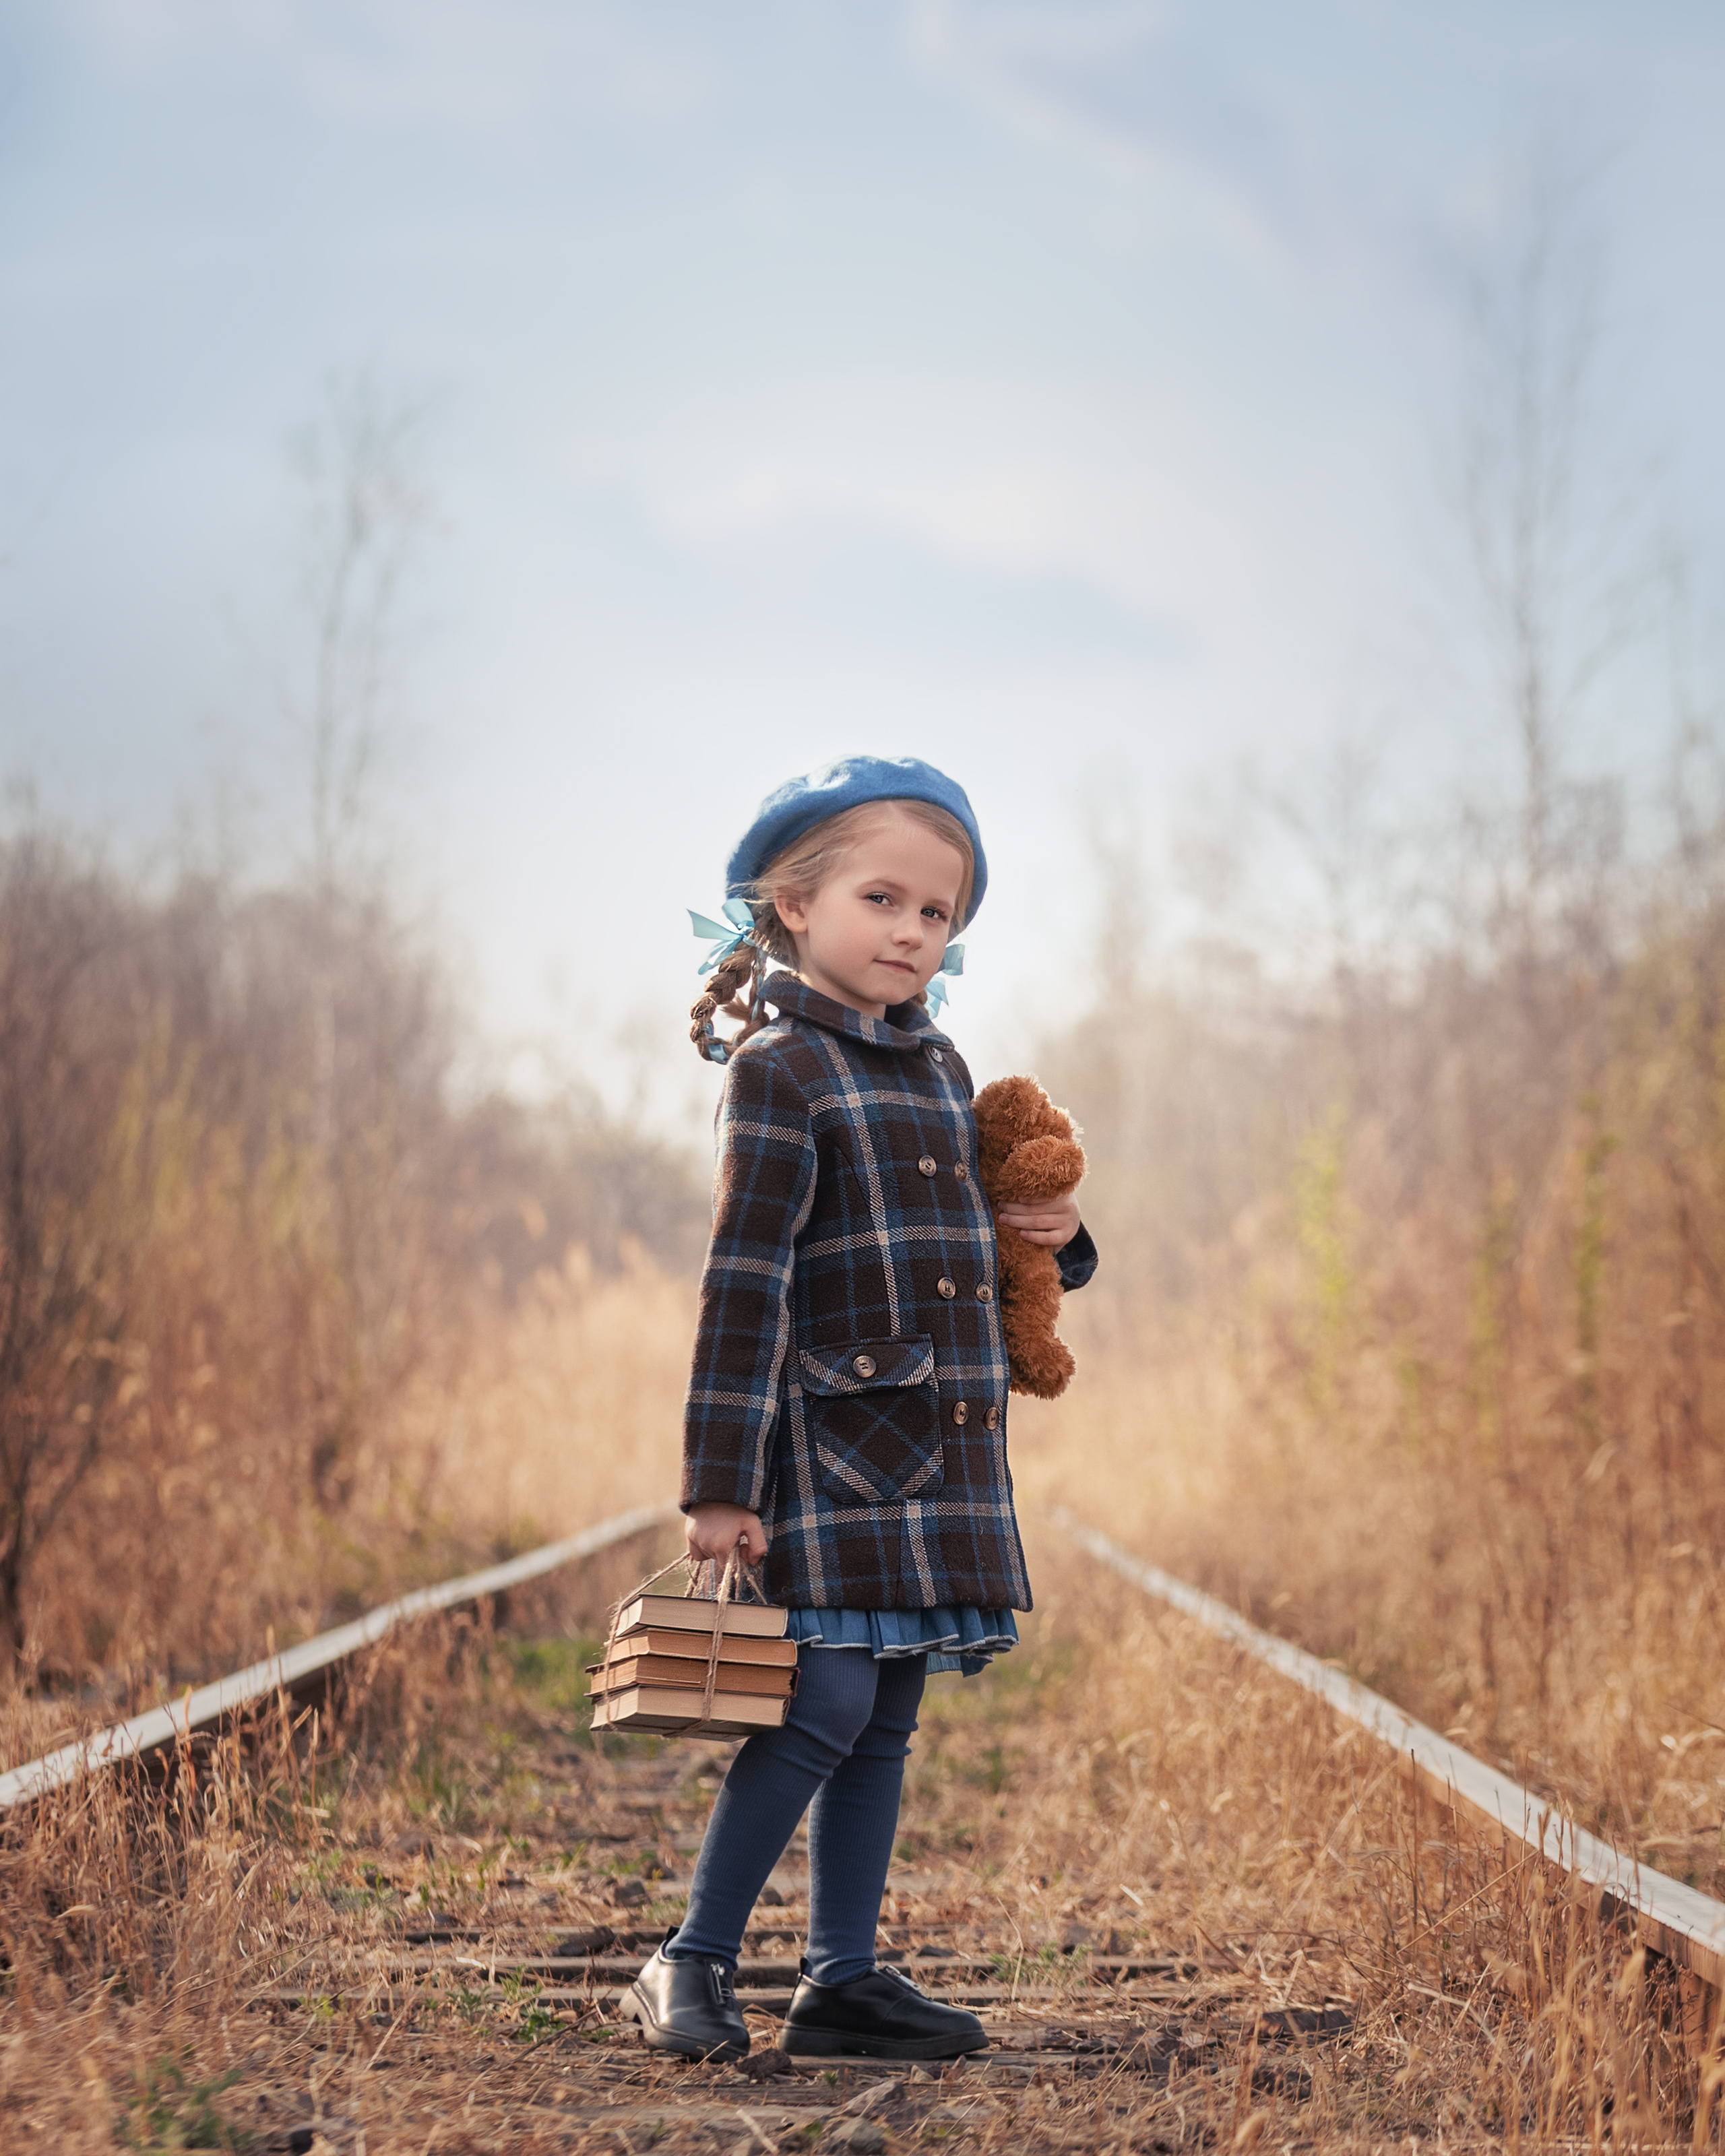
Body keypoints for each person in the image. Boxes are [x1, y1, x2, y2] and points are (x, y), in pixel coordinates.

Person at [621, 755, 1097, 2064]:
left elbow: (979, 1241)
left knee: (884, 1714)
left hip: (934, 1453)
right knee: (818, 1705)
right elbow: (742, 1282)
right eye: (880, 899)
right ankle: (689, 1960)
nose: (909, 931)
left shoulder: (939, 1065)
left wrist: (1055, 1232)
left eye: (935, 914)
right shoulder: (783, 1067)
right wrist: (722, 1485)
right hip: (827, 1456)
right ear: (790, 905)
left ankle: (841, 1976)